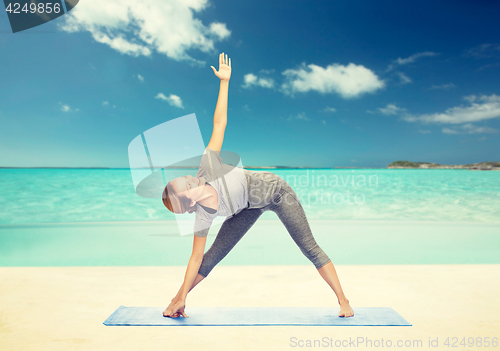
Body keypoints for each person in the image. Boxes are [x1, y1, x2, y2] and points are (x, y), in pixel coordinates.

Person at [162, 52, 354, 319]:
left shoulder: (208, 166)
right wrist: (181, 296)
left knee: (308, 246)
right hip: (246, 210)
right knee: (211, 258)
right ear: (191, 202)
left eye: (183, 178)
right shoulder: (203, 217)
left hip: (276, 192)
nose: (190, 178)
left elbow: (220, 123)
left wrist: (225, 83)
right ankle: (177, 299)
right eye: (186, 186)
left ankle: (344, 301)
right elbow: (196, 259)